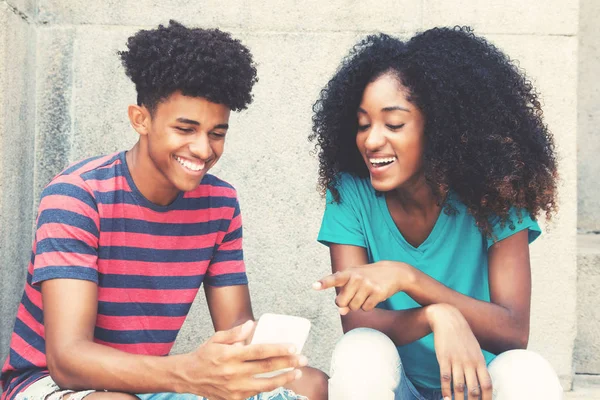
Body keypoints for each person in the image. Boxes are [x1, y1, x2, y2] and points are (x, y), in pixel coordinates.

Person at [1, 20, 327, 400]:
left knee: (313, 386)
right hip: (50, 383)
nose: (203, 150)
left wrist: (267, 360)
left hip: (154, 381)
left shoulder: (219, 204)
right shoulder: (77, 196)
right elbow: (68, 359)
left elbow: (237, 325)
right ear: (141, 119)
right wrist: (187, 374)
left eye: (217, 133)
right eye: (185, 129)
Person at [310, 27, 563, 400]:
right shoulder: (351, 192)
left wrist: (410, 278)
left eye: (393, 124)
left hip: (478, 387)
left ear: (441, 127)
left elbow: (512, 331)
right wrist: (436, 315)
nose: (372, 140)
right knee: (360, 351)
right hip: (399, 387)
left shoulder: (494, 195)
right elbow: (358, 320)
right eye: (364, 124)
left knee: (529, 372)